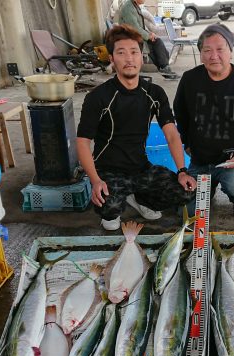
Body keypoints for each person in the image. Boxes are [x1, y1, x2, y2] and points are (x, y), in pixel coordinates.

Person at [76, 24, 196, 231]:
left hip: (141, 168)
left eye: (134, 52)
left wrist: (182, 171)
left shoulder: (155, 93)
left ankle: (140, 200)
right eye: (121, 53)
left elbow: (172, 135)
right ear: (112, 59)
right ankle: (119, 198)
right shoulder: (98, 97)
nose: (129, 59)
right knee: (111, 211)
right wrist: (95, 180)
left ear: (142, 56)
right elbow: (83, 142)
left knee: (184, 191)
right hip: (109, 170)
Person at [173, 23, 234, 215]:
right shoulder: (190, 79)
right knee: (188, 212)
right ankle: (209, 187)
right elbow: (180, 112)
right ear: (201, 54)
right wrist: (187, 142)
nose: (213, 56)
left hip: (232, 158)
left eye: (220, 49)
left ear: (230, 51)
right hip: (200, 159)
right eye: (207, 50)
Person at [118, 0, 179, 79]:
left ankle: (164, 68)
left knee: (157, 42)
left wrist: (150, 34)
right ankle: (164, 69)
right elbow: (135, 29)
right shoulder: (128, 8)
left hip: (135, 36)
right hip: (129, 38)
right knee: (155, 43)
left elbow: (140, 27)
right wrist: (148, 36)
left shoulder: (134, 6)